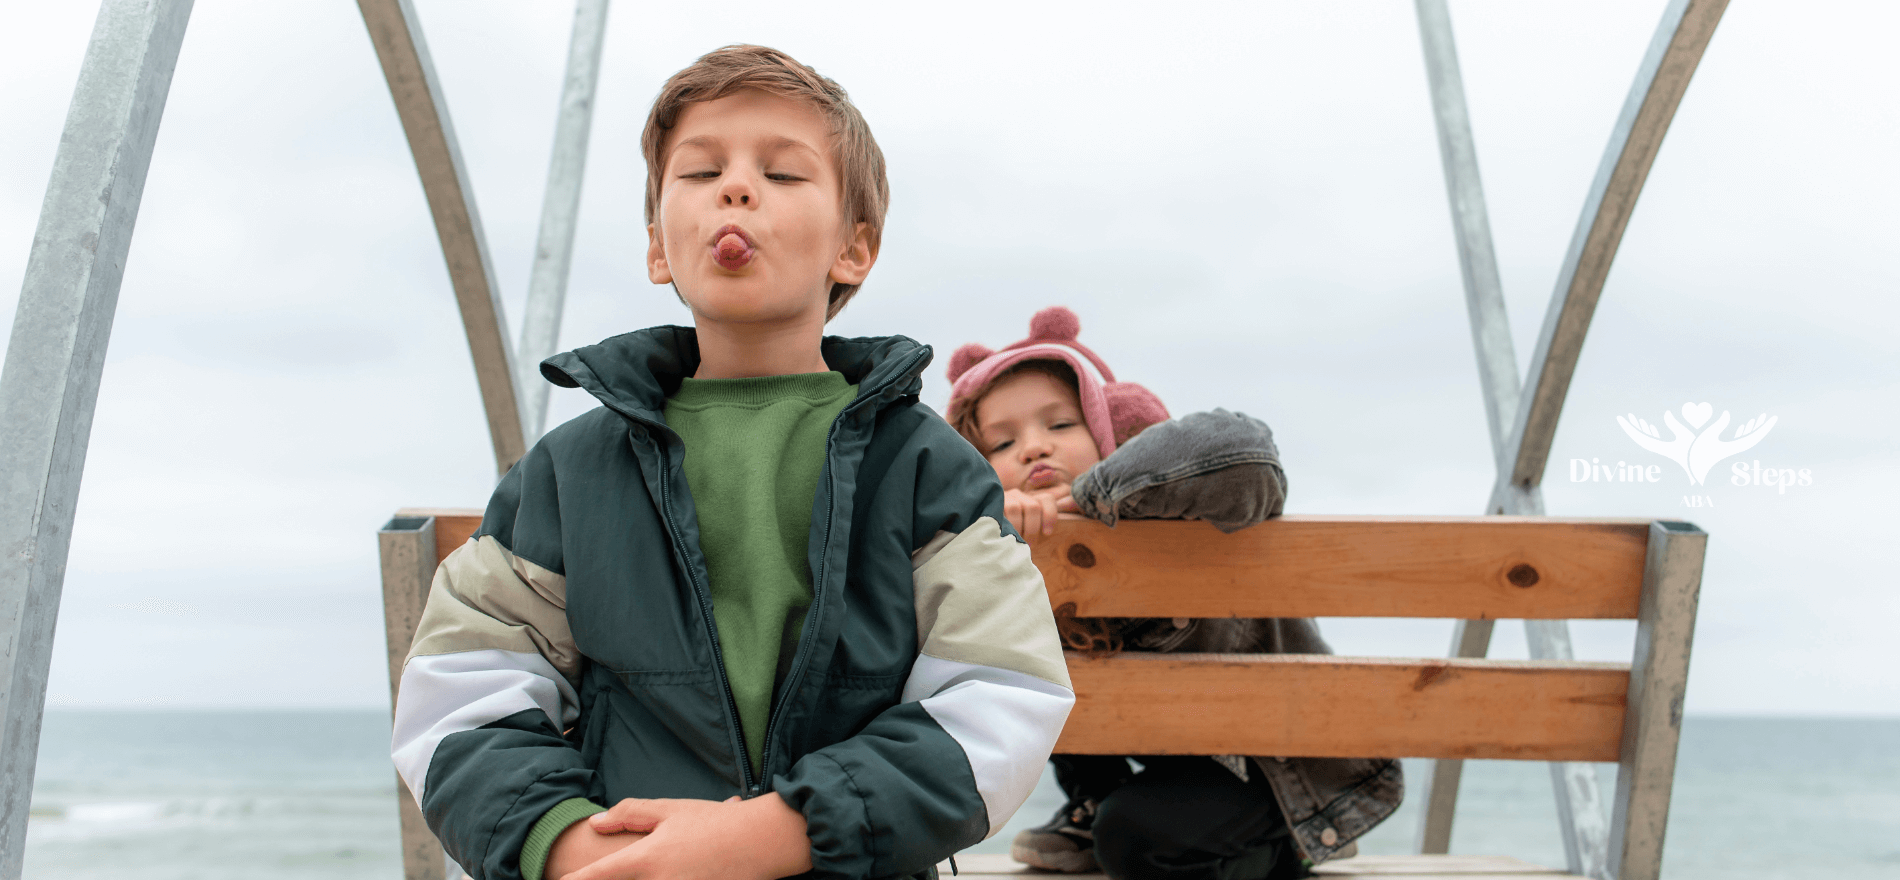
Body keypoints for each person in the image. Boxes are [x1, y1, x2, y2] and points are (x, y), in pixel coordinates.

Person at [391, 46, 1074, 880]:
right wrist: (571, 844)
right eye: (702, 169)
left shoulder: (926, 465)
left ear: (853, 249)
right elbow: (463, 696)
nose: (737, 186)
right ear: (656, 248)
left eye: (783, 175)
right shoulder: (567, 474)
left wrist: (773, 835)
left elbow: (998, 698)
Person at [945, 306, 1404, 880]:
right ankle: (1095, 800)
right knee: (1032, 646)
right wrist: (992, 520)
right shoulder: (1009, 550)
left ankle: (1292, 838)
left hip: (1272, 763)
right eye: (1003, 443)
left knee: (1132, 837)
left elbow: (1248, 451)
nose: (1035, 448)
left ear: (1112, 426)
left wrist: (1095, 495)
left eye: (1060, 425)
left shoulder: (1179, 517)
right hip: (1180, 756)